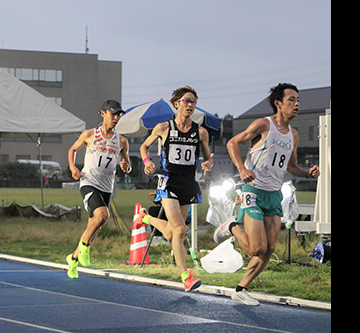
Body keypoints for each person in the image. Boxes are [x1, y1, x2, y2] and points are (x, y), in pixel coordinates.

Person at [214, 83, 320, 305]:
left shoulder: (294, 135)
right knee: (257, 248)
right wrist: (242, 169)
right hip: (253, 190)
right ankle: (231, 226)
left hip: (273, 195)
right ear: (278, 103)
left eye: (298, 100)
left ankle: (241, 288)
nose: (297, 103)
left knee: (270, 249)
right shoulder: (264, 124)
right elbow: (233, 142)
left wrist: (308, 173)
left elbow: (291, 167)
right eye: (291, 100)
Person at [135, 86, 213, 291]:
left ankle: (145, 218)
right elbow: (144, 146)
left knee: (172, 234)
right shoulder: (163, 128)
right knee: (180, 229)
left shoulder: (201, 132)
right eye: (186, 101)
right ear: (176, 103)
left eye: (193, 101)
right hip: (168, 182)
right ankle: (186, 276)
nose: (190, 105)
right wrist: (146, 161)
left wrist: (207, 164)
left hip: (188, 183)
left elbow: (207, 157)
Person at [66, 100, 131, 279]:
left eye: (119, 115)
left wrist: (126, 165)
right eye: (113, 114)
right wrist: (73, 168)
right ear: (103, 114)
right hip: (89, 182)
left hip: (106, 188)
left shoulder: (122, 141)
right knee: (103, 215)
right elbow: (72, 149)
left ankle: (73, 259)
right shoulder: (90, 134)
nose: (116, 118)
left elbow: (127, 163)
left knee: (95, 226)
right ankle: (85, 248)